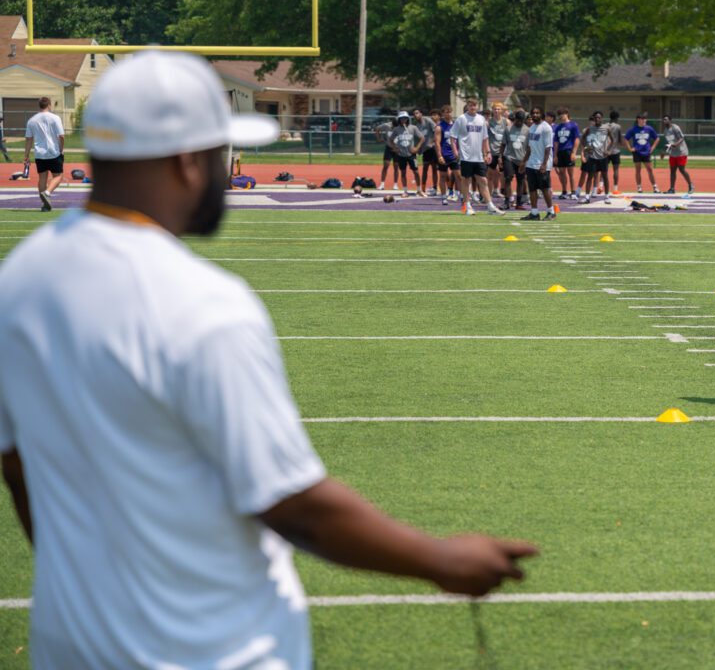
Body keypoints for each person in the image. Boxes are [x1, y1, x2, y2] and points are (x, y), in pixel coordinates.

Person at [0, 52, 536, 668]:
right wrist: (442, 560)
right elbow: (294, 506)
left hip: (72, 646)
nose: (230, 170)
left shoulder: (20, 280)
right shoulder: (200, 302)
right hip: (212, 649)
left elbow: (18, 472)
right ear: (185, 160)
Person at [451, 99, 503, 215]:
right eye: (470, 105)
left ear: (477, 106)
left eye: (475, 105)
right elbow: (453, 137)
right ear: (467, 106)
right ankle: (467, 205)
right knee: (466, 180)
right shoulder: (461, 119)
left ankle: (490, 206)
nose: (473, 107)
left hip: (478, 156)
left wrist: (488, 152)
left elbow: (485, 138)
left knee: (483, 180)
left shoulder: (481, 119)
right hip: (466, 156)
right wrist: (455, 151)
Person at [23, 97, 65, 212]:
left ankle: (44, 205)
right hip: (53, 152)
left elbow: (28, 139)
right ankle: (47, 193)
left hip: (39, 154)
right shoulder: (55, 118)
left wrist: (26, 155)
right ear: (49, 105)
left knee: (42, 177)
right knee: (58, 176)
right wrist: (61, 149)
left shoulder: (32, 120)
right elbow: (61, 136)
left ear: (39, 105)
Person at [522, 106, 555, 220]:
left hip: (542, 164)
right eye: (533, 113)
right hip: (531, 163)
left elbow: (548, 147)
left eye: (537, 113)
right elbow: (530, 147)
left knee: (545, 188)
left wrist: (544, 164)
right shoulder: (531, 128)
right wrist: (524, 161)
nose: (535, 115)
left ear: (542, 114)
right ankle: (534, 213)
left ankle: (551, 212)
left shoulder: (546, 128)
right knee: (532, 189)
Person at [576, 110, 613, 204]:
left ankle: (607, 196)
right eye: (595, 117)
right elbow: (583, 139)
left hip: (603, 157)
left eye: (599, 117)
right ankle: (587, 197)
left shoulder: (606, 129)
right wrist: (586, 148)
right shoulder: (589, 129)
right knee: (590, 177)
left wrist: (608, 150)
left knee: (605, 177)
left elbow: (612, 140)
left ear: (602, 118)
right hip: (592, 157)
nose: (597, 119)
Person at [388, 111, 424, 196]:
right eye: (401, 119)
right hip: (401, 155)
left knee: (416, 172)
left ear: (408, 119)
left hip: (411, 155)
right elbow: (390, 139)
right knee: (403, 173)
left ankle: (419, 190)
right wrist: (395, 148)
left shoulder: (413, 128)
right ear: (399, 120)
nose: (403, 120)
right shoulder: (396, 129)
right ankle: (405, 191)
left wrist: (416, 148)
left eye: (405, 118)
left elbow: (422, 138)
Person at [624, 112, 660, 193]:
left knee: (650, 169)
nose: (644, 120)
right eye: (642, 119)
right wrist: (630, 148)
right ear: (638, 120)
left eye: (645, 119)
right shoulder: (633, 129)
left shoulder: (649, 128)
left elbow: (657, 138)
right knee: (638, 170)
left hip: (646, 152)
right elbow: (626, 138)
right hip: (637, 152)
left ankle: (655, 187)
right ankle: (639, 187)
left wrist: (652, 148)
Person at [502, 110, 530, 210]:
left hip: (521, 159)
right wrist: (501, 158)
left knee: (521, 180)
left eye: (521, 121)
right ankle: (507, 201)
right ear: (515, 119)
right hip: (509, 157)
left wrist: (526, 160)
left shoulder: (527, 130)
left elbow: (529, 147)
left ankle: (519, 202)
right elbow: (503, 144)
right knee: (508, 177)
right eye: (517, 120)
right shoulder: (508, 129)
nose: (519, 122)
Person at [660, 114, 693, 197]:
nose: (665, 121)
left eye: (666, 119)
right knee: (672, 170)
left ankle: (691, 186)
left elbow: (682, 138)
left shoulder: (675, 128)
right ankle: (672, 189)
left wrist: (676, 144)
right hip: (673, 153)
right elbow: (669, 144)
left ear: (670, 120)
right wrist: (664, 152)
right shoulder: (665, 131)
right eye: (664, 119)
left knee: (681, 169)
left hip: (681, 152)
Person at [552, 107, 581, 199]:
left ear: (567, 114)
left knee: (571, 173)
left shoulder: (573, 125)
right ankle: (564, 191)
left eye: (562, 114)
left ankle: (573, 192)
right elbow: (556, 142)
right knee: (562, 173)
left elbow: (577, 139)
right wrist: (555, 155)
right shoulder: (558, 127)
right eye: (559, 115)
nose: (561, 116)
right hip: (560, 152)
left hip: (569, 151)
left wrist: (574, 152)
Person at [436, 105, 460, 205]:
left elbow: (460, 140)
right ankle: (443, 197)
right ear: (442, 114)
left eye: (449, 112)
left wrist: (459, 152)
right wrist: (439, 155)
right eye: (446, 112)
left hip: (454, 154)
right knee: (443, 176)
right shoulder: (439, 126)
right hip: (444, 155)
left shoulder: (456, 125)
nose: (448, 114)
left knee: (458, 176)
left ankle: (459, 195)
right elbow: (437, 143)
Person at [413, 107, 439, 196]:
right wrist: (417, 150)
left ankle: (435, 188)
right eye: (414, 114)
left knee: (434, 168)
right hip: (425, 150)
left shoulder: (428, 121)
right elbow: (417, 139)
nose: (416, 115)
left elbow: (436, 131)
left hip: (432, 148)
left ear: (421, 114)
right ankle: (422, 189)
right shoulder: (417, 126)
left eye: (417, 113)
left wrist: (432, 142)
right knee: (425, 169)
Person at [487, 103, 508, 198]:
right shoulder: (488, 123)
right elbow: (485, 138)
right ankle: (488, 194)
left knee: (503, 174)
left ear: (502, 111)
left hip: (503, 151)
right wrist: (486, 152)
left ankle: (502, 191)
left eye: (499, 109)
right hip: (492, 151)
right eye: (495, 109)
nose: (496, 111)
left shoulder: (506, 122)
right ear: (492, 110)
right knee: (490, 174)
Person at [377, 117, 402, 191]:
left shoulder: (401, 127)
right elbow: (377, 129)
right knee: (385, 166)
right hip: (389, 148)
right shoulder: (387, 126)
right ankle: (382, 184)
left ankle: (395, 184)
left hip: (397, 149)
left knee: (396, 167)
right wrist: (379, 138)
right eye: (394, 126)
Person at [605, 111, 623, 194]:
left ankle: (601, 187)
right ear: (616, 118)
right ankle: (615, 189)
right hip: (615, 150)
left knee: (603, 170)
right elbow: (620, 139)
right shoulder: (618, 126)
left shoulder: (604, 126)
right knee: (615, 170)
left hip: (606, 150)